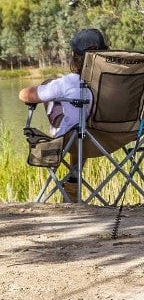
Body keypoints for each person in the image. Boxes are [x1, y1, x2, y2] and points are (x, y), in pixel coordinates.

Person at [19, 28, 108, 201]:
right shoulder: (114, 82)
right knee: (81, 126)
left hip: (72, 138)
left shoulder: (67, 82)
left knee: (75, 125)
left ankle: (55, 134)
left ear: (74, 55)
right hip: (111, 138)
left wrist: (46, 88)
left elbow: (25, 94)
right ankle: (74, 179)